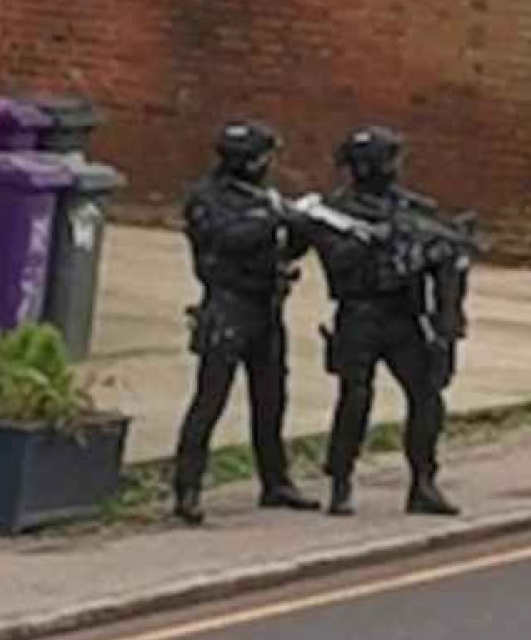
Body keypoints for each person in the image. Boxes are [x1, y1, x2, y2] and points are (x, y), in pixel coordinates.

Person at [309, 126, 471, 519]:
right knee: (355, 398)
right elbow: (334, 257)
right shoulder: (334, 213)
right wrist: (374, 242)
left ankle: (423, 482)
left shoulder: (413, 210)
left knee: (426, 395)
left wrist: (446, 317)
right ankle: (341, 481)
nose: (395, 169)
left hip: (404, 316)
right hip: (359, 313)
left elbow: (447, 261)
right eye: (388, 161)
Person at [173, 121, 320, 526]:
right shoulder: (208, 198)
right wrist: (272, 218)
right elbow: (225, 239)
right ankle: (187, 488)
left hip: (266, 306)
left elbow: (287, 248)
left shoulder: (263, 197)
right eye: (265, 158)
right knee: (210, 401)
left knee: (271, 399)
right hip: (227, 307)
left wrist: (301, 227)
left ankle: (275, 481)